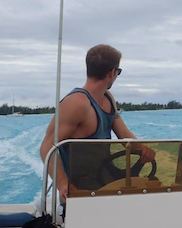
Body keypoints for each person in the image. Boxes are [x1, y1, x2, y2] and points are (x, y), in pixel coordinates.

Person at [40, 44, 155, 200]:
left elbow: (124, 136)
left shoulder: (108, 98)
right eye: (118, 72)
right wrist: (63, 183)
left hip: (108, 185)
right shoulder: (76, 103)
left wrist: (143, 150)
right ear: (112, 73)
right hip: (81, 193)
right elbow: (47, 147)